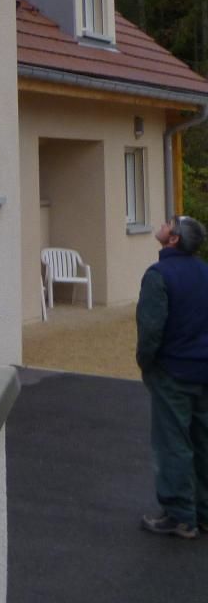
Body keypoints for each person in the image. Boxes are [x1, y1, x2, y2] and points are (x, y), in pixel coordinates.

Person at [136, 213, 208, 539]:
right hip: (203, 371)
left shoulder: (158, 275)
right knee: (202, 439)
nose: (163, 224)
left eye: (169, 222)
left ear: (173, 239)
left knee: (173, 443)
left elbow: (151, 330)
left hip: (173, 372)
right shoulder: (205, 273)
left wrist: (146, 363)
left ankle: (180, 514)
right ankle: (203, 512)